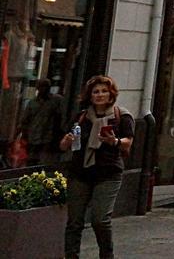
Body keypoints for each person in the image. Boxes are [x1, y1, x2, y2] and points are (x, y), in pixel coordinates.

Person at [61, 75, 134, 259]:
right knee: (74, 221)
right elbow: (63, 145)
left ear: (111, 95)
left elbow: (128, 142)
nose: (100, 95)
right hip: (80, 172)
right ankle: (71, 256)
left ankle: (106, 255)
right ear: (90, 95)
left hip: (108, 173)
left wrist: (114, 141)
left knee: (100, 219)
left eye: (104, 91)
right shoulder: (82, 117)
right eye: (96, 92)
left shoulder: (121, 116)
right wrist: (67, 141)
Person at [19, 78, 63, 165]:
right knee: (31, 162)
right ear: (37, 88)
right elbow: (25, 121)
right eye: (41, 87)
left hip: (48, 138)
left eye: (46, 87)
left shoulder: (56, 100)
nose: (43, 89)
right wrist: (23, 136)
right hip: (33, 138)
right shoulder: (32, 103)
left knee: (44, 163)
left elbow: (61, 117)